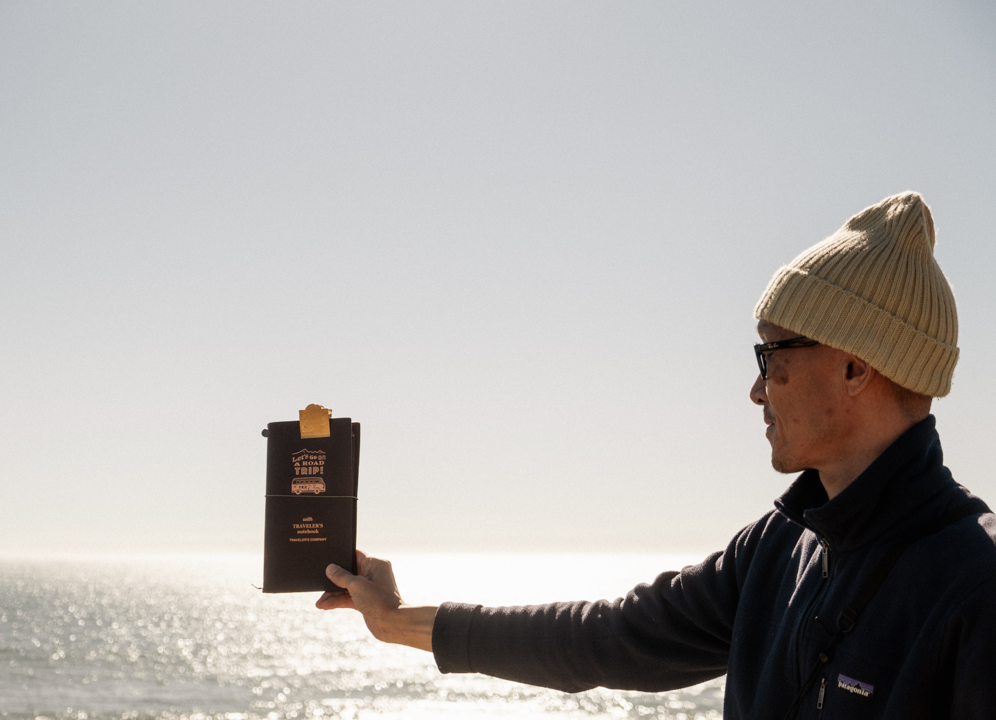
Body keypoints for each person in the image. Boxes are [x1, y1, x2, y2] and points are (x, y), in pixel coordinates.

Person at [315, 192, 996, 718]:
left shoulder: (976, 583)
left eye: (772, 356)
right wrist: (394, 621)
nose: (755, 389)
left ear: (856, 368)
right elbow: (604, 638)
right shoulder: (778, 550)